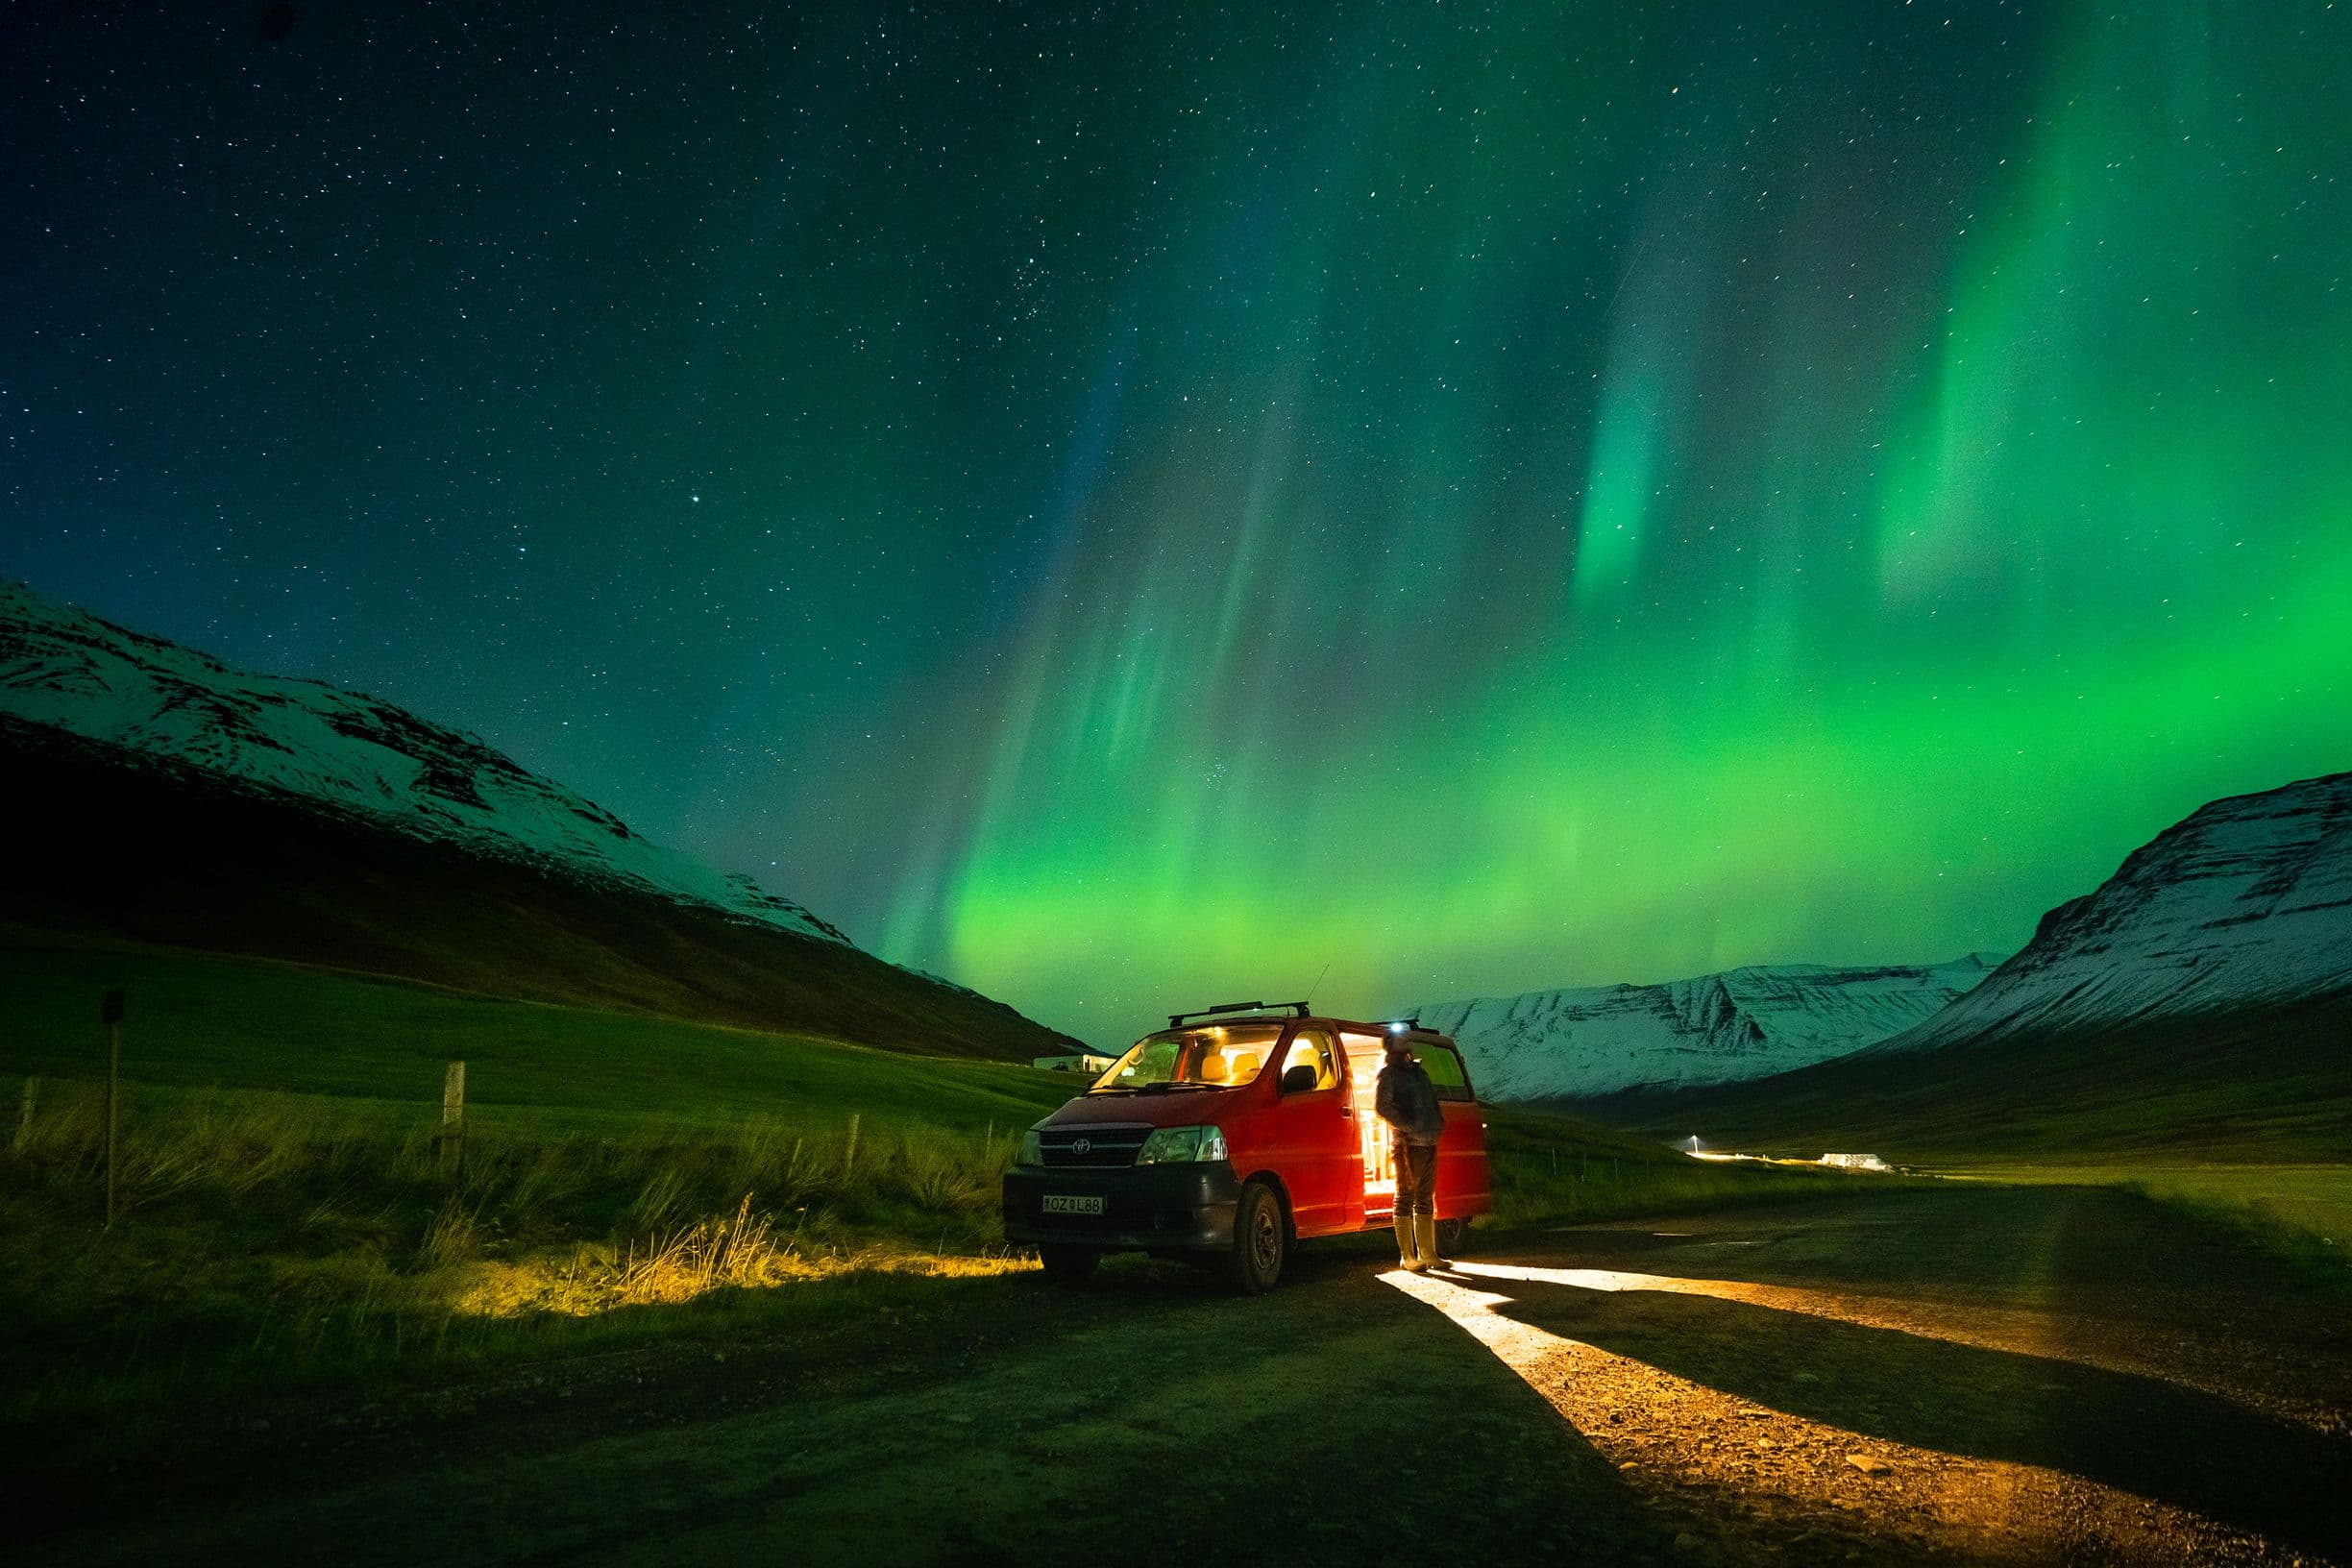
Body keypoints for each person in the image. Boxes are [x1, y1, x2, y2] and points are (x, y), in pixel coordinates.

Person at [1375, 1035, 1447, 1271]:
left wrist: (1437, 1123)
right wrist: (1410, 1125)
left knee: (1425, 1197)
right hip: (1407, 1144)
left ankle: (1428, 1253)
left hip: (1428, 1140)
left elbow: (1432, 1102)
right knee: (1405, 1195)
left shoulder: (1419, 1073)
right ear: (1391, 1047)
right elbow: (1383, 1107)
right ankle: (1407, 1256)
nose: (1404, 1040)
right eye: (1399, 1039)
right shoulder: (1389, 1075)